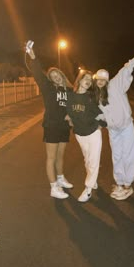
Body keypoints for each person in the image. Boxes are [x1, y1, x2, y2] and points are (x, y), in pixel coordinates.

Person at [93, 50, 134, 201]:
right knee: (117, 156)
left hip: (126, 126)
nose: (100, 82)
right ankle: (119, 183)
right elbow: (102, 114)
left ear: (107, 80)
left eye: (103, 79)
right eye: (98, 79)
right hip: (113, 130)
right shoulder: (98, 96)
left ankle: (127, 186)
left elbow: (125, 70)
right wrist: (99, 121)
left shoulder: (115, 86)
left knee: (128, 155)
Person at [24, 40, 73, 199]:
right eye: (52, 76)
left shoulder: (69, 90)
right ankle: (53, 187)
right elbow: (38, 73)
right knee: (51, 157)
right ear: (50, 79)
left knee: (60, 156)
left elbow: (74, 106)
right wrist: (32, 56)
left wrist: (71, 115)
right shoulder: (48, 88)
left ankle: (60, 179)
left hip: (64, 127)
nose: (56, 77)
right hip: (51, 125)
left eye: (57, 74)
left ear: (61, 75)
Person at [66, 70, 106, 202]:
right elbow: (67, 112)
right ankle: (92, 180)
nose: (88, 81)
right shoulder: (70, 96)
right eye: (86, 78)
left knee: (94, 161)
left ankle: (88, 189)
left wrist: (101, 124)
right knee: (87, 160)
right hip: (80, 134)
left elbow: (100, 113)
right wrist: (70, 120)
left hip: (94, 133)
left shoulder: (90, 97)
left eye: (90, 80)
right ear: (79, 80)